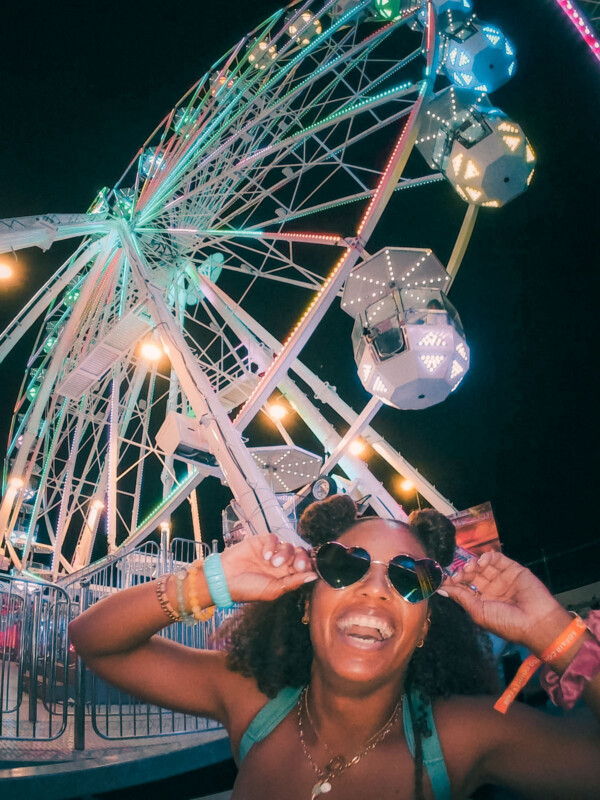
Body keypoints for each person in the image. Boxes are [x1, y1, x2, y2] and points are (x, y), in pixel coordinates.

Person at [68, 496, 600, 799]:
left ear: (424, 628)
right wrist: (208, 581)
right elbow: (95, 641)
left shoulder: (465, 739)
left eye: (408, 578)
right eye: (345, 566)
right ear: (306, 604)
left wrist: (555, 632)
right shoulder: (253, 702)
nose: (374, 588)